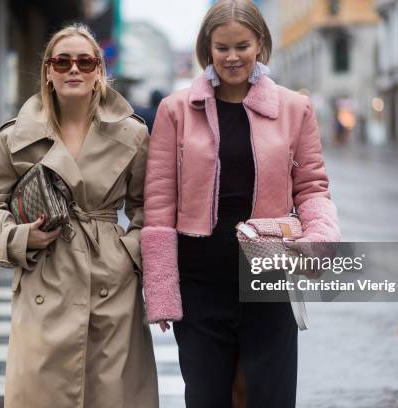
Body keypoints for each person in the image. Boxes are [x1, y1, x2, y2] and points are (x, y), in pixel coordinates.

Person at [140, 1, 340, 407]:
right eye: (222, 47)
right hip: (199, 280)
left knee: (270, 396)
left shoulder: (294, 109)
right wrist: (161, 289)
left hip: (269, 277)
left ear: (260, 45)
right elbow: (159, 203)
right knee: (206, 396)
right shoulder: (175, 110)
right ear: (207, 50)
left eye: (242, 46)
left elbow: (313, 187)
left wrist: (320, 234)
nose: (232, 57)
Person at [0, 24, 158, 408]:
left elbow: (149, 207)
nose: (72, 69)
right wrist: (20, 238)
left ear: (98, 71)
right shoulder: (15, 137)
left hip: (110, 280)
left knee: (111, 394)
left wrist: (128, 254)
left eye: (84, 61)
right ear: (47, 71)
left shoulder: (132, 135)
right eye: (61, 61)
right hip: (45, 274)